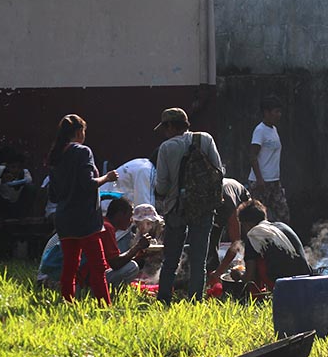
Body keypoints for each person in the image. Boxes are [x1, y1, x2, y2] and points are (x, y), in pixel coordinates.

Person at [154, 107, 224, 303]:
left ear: (169, 126)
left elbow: (162, 185)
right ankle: (196, 301)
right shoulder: (205, 139)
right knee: (199, 259)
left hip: (176, 208)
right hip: (204, 206)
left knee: (171, 260)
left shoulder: (166, 148)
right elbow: (218, 171)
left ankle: (164, 299)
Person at [48, 114, 118, 305]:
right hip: (85, 220)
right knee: (97, 267)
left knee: (69, 266)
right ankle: (105, 306)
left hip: (63, 219)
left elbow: (53, 195)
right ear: (80, 132)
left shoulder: (56, 154)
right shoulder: (83, 152)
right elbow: (88, 183)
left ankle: (67, 302)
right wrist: (107, 178)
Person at [237, 199, 311, 292]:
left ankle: (263, 294)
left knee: (257, 262)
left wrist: (238, 275)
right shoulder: (282, 226)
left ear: (247, 224)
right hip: (307, 280)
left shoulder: (253, 234)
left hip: (284, 285)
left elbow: (249, 279)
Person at [248, 95, 290, 223]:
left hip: (274, 182)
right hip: (261, 182)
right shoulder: (260, 131)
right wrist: (260, 179)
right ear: (266, 112)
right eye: (276, 111)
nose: (279, 115)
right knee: (259, 218)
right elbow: (252, 155)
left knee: (283, 215)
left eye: (280, 111)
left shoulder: (274, 130)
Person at [94, 197, 151, 288]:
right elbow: (115, 264)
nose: (131, 221)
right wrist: (138, 247)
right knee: (132, 267)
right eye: (129, 216)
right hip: (92, 278)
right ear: (120, 214)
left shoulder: (103, 224)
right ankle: (108, 292)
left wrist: (136, 255)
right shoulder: (107, 228)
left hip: (91, 274)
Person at [207, 178, 250, 284]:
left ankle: (249, 274)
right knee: (211, 242)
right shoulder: (202, 202)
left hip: (242, 200)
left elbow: (236, 243)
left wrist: (219, 272)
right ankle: (210, 273)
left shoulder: (228, 206)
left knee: (248, 239)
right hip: (217, 208)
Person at [0, 152, 36, 218]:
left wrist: (17, 182)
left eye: (19, 167)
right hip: (2, 204)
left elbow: (29, 180)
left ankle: (22, 216)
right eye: (13, 167)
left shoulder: (24, 172)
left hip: (18, 205)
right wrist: (1, 181)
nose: (16, 170)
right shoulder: (0, 170)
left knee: (31, 187)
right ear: (7, 167)